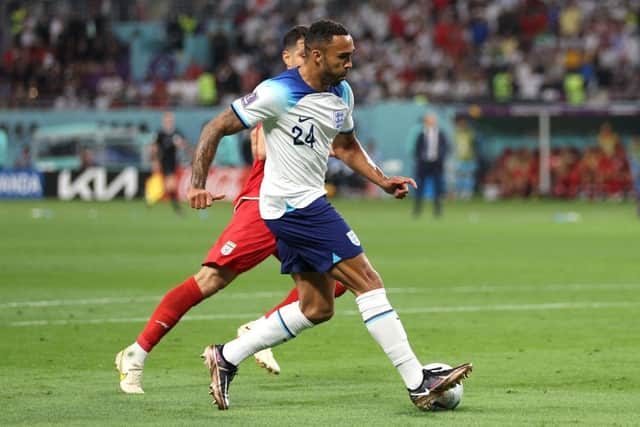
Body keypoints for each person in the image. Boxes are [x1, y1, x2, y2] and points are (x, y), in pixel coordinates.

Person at [188, 20, 472, 411]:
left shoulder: (341, 93)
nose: (351, 63)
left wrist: (382, 180)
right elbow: (215, 126)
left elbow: (346, 145)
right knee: (369, 282)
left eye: (352, 56)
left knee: (317, 308)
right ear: (317, 55)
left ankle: (226, 356)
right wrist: (196, 183)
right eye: (344, 56)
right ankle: (418, 382)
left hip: (293, 208)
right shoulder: (277, 92)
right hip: (297, 208)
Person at [115, 26, 348, 394]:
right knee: (210, 280)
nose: (311, 62)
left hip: (303, 206)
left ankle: (259, 328)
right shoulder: (278, 92)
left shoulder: (323, 93)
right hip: (264, 203)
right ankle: (136, 352)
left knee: (336, 283)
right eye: (304, 55)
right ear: (289, 58)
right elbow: (254, 139)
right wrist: (198, 181)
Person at [151, 111, 190, 214]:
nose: (168, 121)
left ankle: (151, 199)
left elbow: (184, 144)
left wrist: (180, 143)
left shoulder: (176, 132)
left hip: (173, 162)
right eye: (167, 120)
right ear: (163, 121)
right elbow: (154, 148)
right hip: (164, 161)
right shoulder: (160, 133)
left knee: (169, 185)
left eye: (170, 120)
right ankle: (177, 208)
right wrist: (155, 161)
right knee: (171, 185)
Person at [413, 113, 448, 218]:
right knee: (420, 187)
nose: (430, 122)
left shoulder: (441, 134)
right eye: (428, 120)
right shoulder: (421, 134)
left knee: (438, 188)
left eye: (432, 120)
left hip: (436, 164)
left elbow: (445, 148)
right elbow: (417, 149)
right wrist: (421, 159)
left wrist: (439, 158)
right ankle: (417, 210)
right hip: (424, 164)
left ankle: (438, 210)